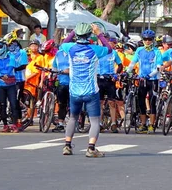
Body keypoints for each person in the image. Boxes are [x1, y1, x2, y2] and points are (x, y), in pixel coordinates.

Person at [60, 22, 112, 158]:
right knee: (95, 121)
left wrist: (73, 30)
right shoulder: (95, 49)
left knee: (72, 118)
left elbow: (62, 43)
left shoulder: (70, 48)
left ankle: (67, 145)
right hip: (91, 91)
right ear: (89, 35)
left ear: (76, 35)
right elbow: (109, 48)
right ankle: (91, 148)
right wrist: (99, 33)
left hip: (74, 91)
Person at [126, 29, 163, 134]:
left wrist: (150, 75)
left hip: (153, 80)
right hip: (142, 80)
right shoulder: (139, 50)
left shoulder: (157, 51)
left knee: (152, 102)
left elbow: (159, 67)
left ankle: (151, 124)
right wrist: (127, 72)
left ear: (153, 40)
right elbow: (133, 63)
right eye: (145, 39)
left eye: (149, 39)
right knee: (141, 102)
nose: (147, 41)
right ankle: (143, 124)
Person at [97, 37, 124, 133]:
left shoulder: (114, 53)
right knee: (100, 103)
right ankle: (99, 123)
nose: (113, 45)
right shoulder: (99, 52)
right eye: (111, 43)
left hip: (110, 79)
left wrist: (116, 75)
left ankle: (113, 123)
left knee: (112, 102)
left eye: (114, 43)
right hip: (99, 79)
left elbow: (120, 65)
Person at [8, 37, 28, 124]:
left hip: (19, 79)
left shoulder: (22, 53)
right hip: (9, 79)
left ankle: (18, 119)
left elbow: (24, 65)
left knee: (16, 100)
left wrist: (14, 69)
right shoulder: (8, 53)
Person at [52, 48, 70, 132]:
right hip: (61, 81)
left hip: (73, 82)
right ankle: (60, 123)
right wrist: (53, 75)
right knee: (61, 103)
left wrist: (69, 71)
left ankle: (74, 121)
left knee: (73, 103)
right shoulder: (58, 53)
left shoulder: (74, 53)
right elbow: (54, 66)